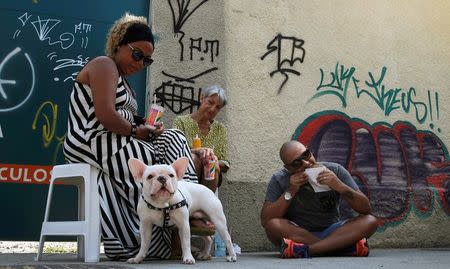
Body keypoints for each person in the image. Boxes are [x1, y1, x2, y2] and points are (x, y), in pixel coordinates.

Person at [63, 13, 198, 260]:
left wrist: (148, 128)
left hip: (116, 139)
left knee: (174, 137)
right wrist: (137, 131)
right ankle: (178, 218)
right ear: (119, 44)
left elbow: (125, 118)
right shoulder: (104, 65)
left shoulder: (124, 82)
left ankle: (186, 205)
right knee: (150, 167)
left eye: (147, 60)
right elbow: (105, 115)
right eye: (137, 55)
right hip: (91, 138)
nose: (140, 63)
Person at [260, 140, 378, 258]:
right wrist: (291, 190)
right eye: (297, 163)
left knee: (370, 221)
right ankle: (340, 248)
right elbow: (266, 220)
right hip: (298, 233)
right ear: (288, 168)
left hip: (334, 231)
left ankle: (306, 250)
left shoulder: (335, 170)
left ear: (310, 151)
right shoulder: (280, 179)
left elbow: (365, 209)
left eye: (306, 155)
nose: (306, 163)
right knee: (272, 225)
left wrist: (338, 185)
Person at [172, 85, 230, 193]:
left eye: (218, 107)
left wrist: (212, 159)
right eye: (210, 102)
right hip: (186, 175)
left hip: (212, 177)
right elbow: (176, 151)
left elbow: (225, 163)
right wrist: (198, 152)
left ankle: (205, 205)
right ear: (202, 98)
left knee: (211, 163)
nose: (213, 109)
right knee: (194, 158)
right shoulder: (181, 122)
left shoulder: (220, 129)